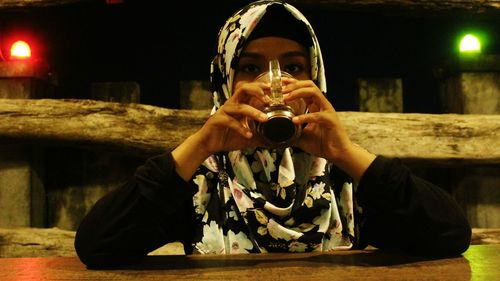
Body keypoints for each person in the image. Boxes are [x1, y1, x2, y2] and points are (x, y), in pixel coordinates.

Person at [74, 0, 471, 268]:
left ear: (316, 78)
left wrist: (346, 153)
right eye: (250, 67)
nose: (273, 83)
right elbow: (97, 246)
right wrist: (201, 144)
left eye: (295, 68)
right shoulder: (204, 181)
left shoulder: (342, 179)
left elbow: (450, 234)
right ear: (225, 81)